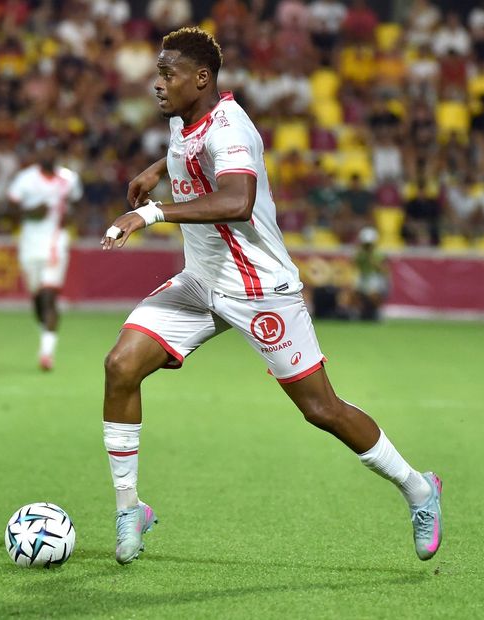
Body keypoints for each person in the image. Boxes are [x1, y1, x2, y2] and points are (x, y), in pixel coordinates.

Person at [100, 27, 442, 565]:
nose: (157, 84)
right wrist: (155, 170)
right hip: (199, 282)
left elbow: (237, 198)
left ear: (202, 79)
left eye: (167, 74)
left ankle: (419, 488)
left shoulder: (233, 126)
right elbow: (188, 156)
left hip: (260, 289)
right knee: (121, 366)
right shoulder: (183, 118)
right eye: (158, 73)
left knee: (322, 409)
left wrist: (152, 212)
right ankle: (129, 509)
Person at [6, 139, 83, 371]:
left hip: (55, 243)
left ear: (57, 155)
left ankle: (46, 353)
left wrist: (72, 218)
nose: (48, 156)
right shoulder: (26, 179)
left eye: (52, 151)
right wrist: (31, 212)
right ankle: (46, 331)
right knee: (37, 298)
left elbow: (77, 204)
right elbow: (9, 209)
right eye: (44, 151)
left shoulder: (69, 180)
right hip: (30, 244)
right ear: (38, 156)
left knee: (49, 296)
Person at [353, 227, 389, 321]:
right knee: (354, 291)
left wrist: (372, 261)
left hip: (376, 277)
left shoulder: (379, 254)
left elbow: (385, 271)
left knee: (373, 292)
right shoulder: (360, 254)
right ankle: (360, 312)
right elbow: (356, 266)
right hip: (364, 276)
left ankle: (377, 312)